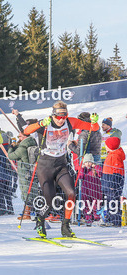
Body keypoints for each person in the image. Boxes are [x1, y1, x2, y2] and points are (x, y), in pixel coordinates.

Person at [16, 102, 99, 238]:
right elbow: (25, 131)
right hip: (45, 166)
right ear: (53, 115)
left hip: (61, 164)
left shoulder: (70, 122)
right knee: (50, 201)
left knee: (71, 193)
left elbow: (92, 128)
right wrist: (40, 123)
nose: (61, 120)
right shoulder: (46, 124)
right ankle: (40, 221)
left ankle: (65, 225)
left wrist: (94, 122)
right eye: (58, 117)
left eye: (64, 116)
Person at [101, 136, 124, 226]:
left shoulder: (115, 156)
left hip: (112, 184)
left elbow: (116, 172)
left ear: (111, 146)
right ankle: (110, 219)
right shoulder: (111, 154)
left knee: (114, 202)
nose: (105, 147)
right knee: (110, 202)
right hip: (108, 182)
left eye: (106, 145)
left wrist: (112, 185)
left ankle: (115, 221)